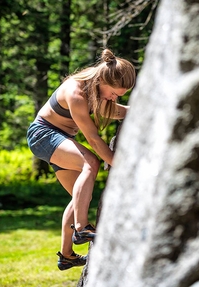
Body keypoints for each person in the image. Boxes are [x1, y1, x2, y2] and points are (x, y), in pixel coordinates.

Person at [26, 48, 136, 270]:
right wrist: (120, 165)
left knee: (78, 198)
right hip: (43, 135)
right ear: (104, 80)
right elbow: (94, 140)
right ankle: (82, 227)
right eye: (114, 93)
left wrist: (139, 110)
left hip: (60, 138)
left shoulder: (96, 90)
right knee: (91, 162)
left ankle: (66, 256)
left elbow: (113, 111)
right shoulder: (76, 92)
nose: (114, 98)